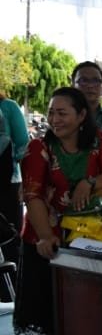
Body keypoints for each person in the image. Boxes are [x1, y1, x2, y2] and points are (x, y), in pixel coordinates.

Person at [14, 87, 102, 335]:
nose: (54, 119)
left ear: (82, 115)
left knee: (87, 304)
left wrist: (89, 182)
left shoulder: (98, 139)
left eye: (62, 113)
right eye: (52, 113)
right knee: (52, 307)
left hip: (89, 236)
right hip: (46, 235)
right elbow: (33, 195)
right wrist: (45, 237)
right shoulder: (38, 148)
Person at [0, 92, 28, 277]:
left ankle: (13, 293)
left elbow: (23, 143)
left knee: (9, 239)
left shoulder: (8, 107)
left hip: (8, 183)